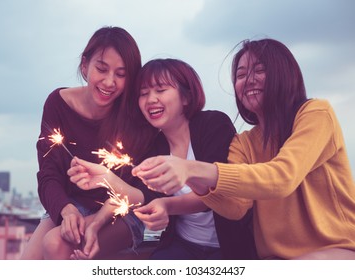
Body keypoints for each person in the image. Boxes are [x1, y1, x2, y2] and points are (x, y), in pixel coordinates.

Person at [132, 39, 355, 260]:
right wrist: (190, 177)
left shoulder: (315, 113)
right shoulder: (243, 142)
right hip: (273, 259)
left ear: (284, 74)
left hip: (336, 248)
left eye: (259, 70)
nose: (248, 80)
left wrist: (190, 169)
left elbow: (283, 177)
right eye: (240, 75)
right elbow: (235, 207)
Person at [70, 58, 257, 259]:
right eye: (143, 94)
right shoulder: (155, 147)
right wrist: (105, 181)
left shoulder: (213, 124)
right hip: (183, 246)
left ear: (186, 97)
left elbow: (213, 195)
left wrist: (167, 206)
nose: (150, 100)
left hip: (229, 248)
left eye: (160, 90)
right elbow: (141, 196)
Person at [20, 26, 157, 260]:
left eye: (121, 74)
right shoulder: (57, 104)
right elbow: (48, 173)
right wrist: (65, 209)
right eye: (101, 69)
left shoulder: (136, 117)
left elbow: (143, 191)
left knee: (55, 245)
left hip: (122, 211)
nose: (109, 82)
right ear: (85, 65)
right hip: (72, 203)